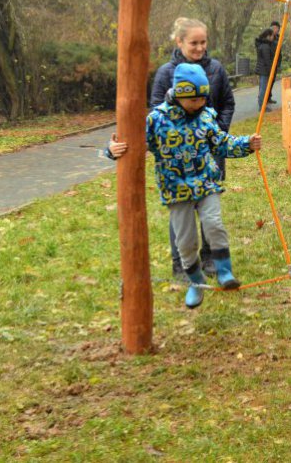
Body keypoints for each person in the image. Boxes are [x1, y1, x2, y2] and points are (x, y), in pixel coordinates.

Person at [107, 63, 261, 308]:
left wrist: (246, 144)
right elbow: (134, 144)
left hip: (206, 183)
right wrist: (112, 149)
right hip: (176, 189)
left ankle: (224, 271)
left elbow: (220, 143)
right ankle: (196, 282)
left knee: (214, 225)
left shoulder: (206, 115)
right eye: (194, 100)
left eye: (203, 99)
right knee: (186, 242)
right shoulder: (157, 120)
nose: (199, 104)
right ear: (179, 94)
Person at [150, 18, 235, 280]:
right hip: (177, 161)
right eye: (194, 43)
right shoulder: (166, 72)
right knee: (183, 213)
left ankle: (211, 259)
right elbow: (155, 109)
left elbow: (227, 103)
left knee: (211, 210)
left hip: (210, 154)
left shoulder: (216, 69)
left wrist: (215, 134)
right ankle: (183, 264)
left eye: (203, 42)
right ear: (180, 42)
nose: (200, 48)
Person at [255, 21, 281, 107]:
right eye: (273, 28)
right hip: (266, 69)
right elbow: (267, 59)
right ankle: (262, 105)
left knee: (267, 85)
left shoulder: (275, 40)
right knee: (263, 87)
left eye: (277, 28)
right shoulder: (265, 45)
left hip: (270, 66)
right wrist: (271, 70)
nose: (275, 30)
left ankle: (266, 100)